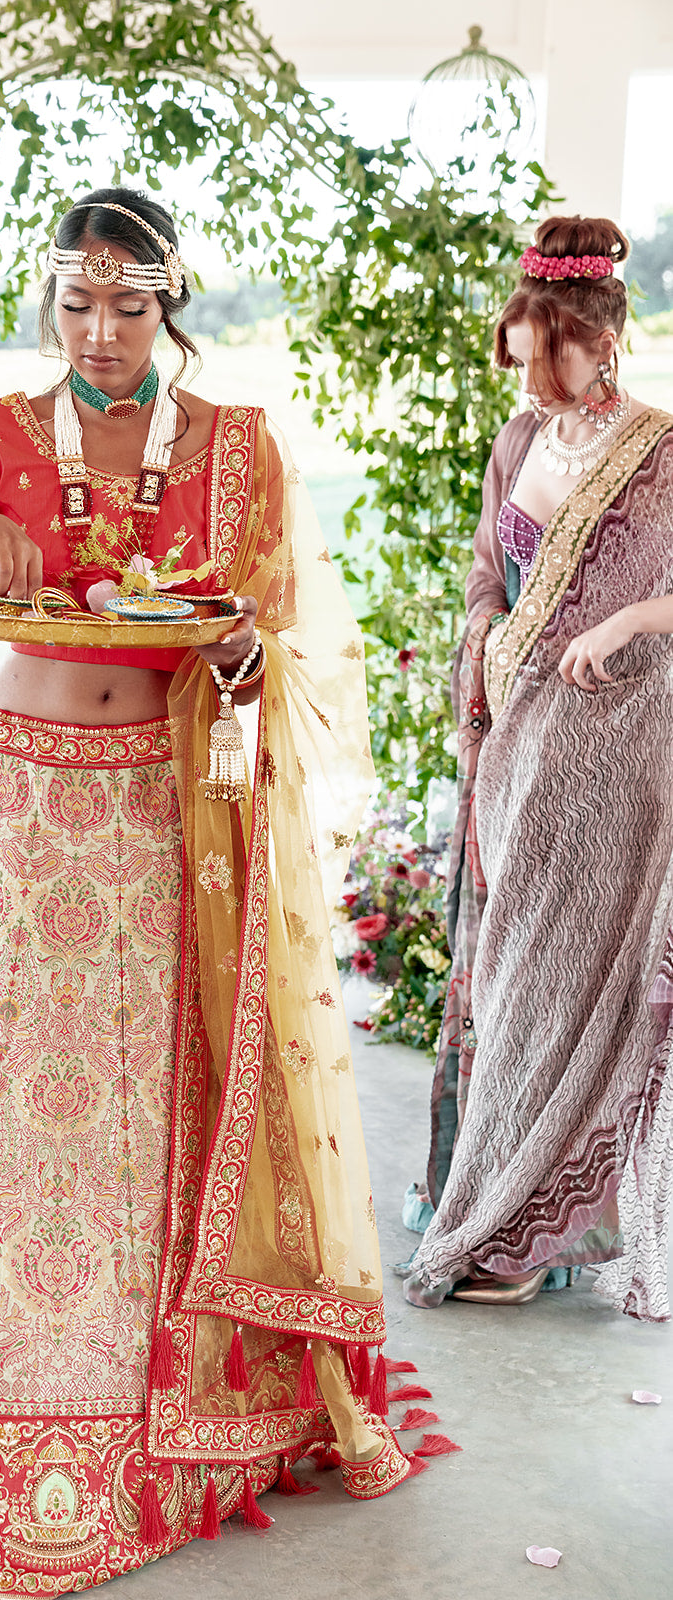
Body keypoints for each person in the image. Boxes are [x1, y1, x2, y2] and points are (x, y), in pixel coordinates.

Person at [0, 187, 413, 1595]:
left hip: (159, 808)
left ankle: (143, 1396)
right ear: (48, 301)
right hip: (14, 800)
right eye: (76, 304)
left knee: (150, 1101)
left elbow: (269, 665)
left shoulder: (235, 452)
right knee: (11, 1101)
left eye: (129, 306)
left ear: (169, 302)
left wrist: (237, 647)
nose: (102, 333)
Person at [401, 216, 673, 1319]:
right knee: (505, 974)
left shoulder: (657, 449)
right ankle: (484, 1192)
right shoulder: (516, 445)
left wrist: (620, 626)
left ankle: (527, 1230)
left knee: (568, 981)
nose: (527, 377)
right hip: (512, 743)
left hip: (616, 751)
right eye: (515, 357)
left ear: (595, 339)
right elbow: (483, 578)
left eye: (541, 354)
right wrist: (482, 646)